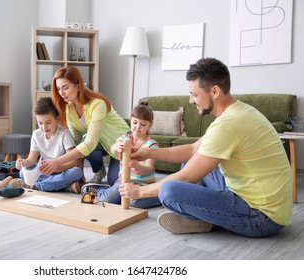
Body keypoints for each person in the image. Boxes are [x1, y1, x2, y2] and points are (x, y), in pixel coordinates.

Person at [119, 57, 292, 237]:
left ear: (214, 91)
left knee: (170, 190)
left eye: (194, 94)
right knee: (189, 163)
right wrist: (146, 152)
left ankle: (209, 219)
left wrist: (139, 191)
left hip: (261, 217)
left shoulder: (228, 125)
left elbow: (186, 179)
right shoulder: (238, 112)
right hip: (261, 201)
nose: (191, 100)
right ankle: (209, 217)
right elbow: (192, 149)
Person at [41, 66, 130, 187]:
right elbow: (76, 143)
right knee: (82, 140)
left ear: (78, 86)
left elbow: (90, 144)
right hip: (101, 143)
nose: (61, 93)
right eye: (58, 89)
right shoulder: (69, 109)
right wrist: (80, 174)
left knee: (114, 181)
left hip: (121, 141)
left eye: (65, 88)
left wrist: (57, 162)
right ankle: (99, 169)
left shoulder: (98, 103)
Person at [81, 101, 161, 209]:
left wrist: (139, 167)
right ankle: (100, 189)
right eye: (135, 122)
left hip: (143, 185)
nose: (138, 127)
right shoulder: (125, 138)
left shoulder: (151, 144)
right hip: (123, 181)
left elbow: (149, 168)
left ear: (150, 125)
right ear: (130, 121)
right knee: (106, 199)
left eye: (143, 124)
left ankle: (159, 194)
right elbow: (113, 150)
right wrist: (116, 147)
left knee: (134, 203)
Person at [10, 97, 83, 193]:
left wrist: (56, 167)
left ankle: (36, 186)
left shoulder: (64, 134)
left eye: (48, 122)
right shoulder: (36, 134)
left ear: (56, 119)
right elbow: (31, 160)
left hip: (62, 170)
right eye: (40, 123)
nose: (44, 127)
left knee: (76, 172)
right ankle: (63, 186)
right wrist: (23, 163)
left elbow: (74, 162)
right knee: (23, 172)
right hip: (44, 172)